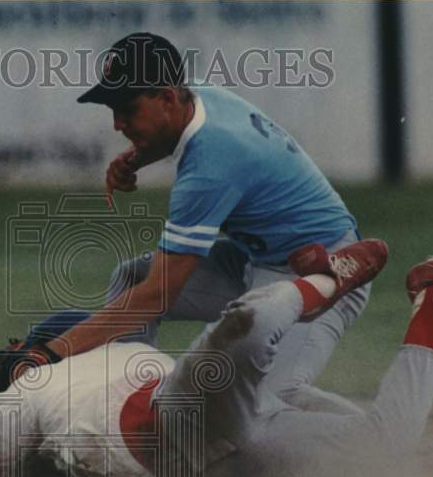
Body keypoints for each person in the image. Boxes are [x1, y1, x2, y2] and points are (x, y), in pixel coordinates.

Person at [0, 230, 433, 477]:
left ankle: (318, 279)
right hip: (237, 451)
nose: (18, 364)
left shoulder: (60, 373)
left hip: (182, 421)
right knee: (384, 442)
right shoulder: (123, 350)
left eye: (23, 354)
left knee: (242, 329)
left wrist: (29, 451)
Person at [32, 32, 371, 416]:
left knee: (269, 398)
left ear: (168, 99)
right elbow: (167, 131)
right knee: (132, 278)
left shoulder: (212, 164)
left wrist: (51, 351)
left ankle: (379, 441)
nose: (117, 123)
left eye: (127, 108)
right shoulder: (195, 97)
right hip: (259, 263)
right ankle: (129, 409)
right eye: (113, 109)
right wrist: (137, 157)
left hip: (327, 272)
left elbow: (157, 294)